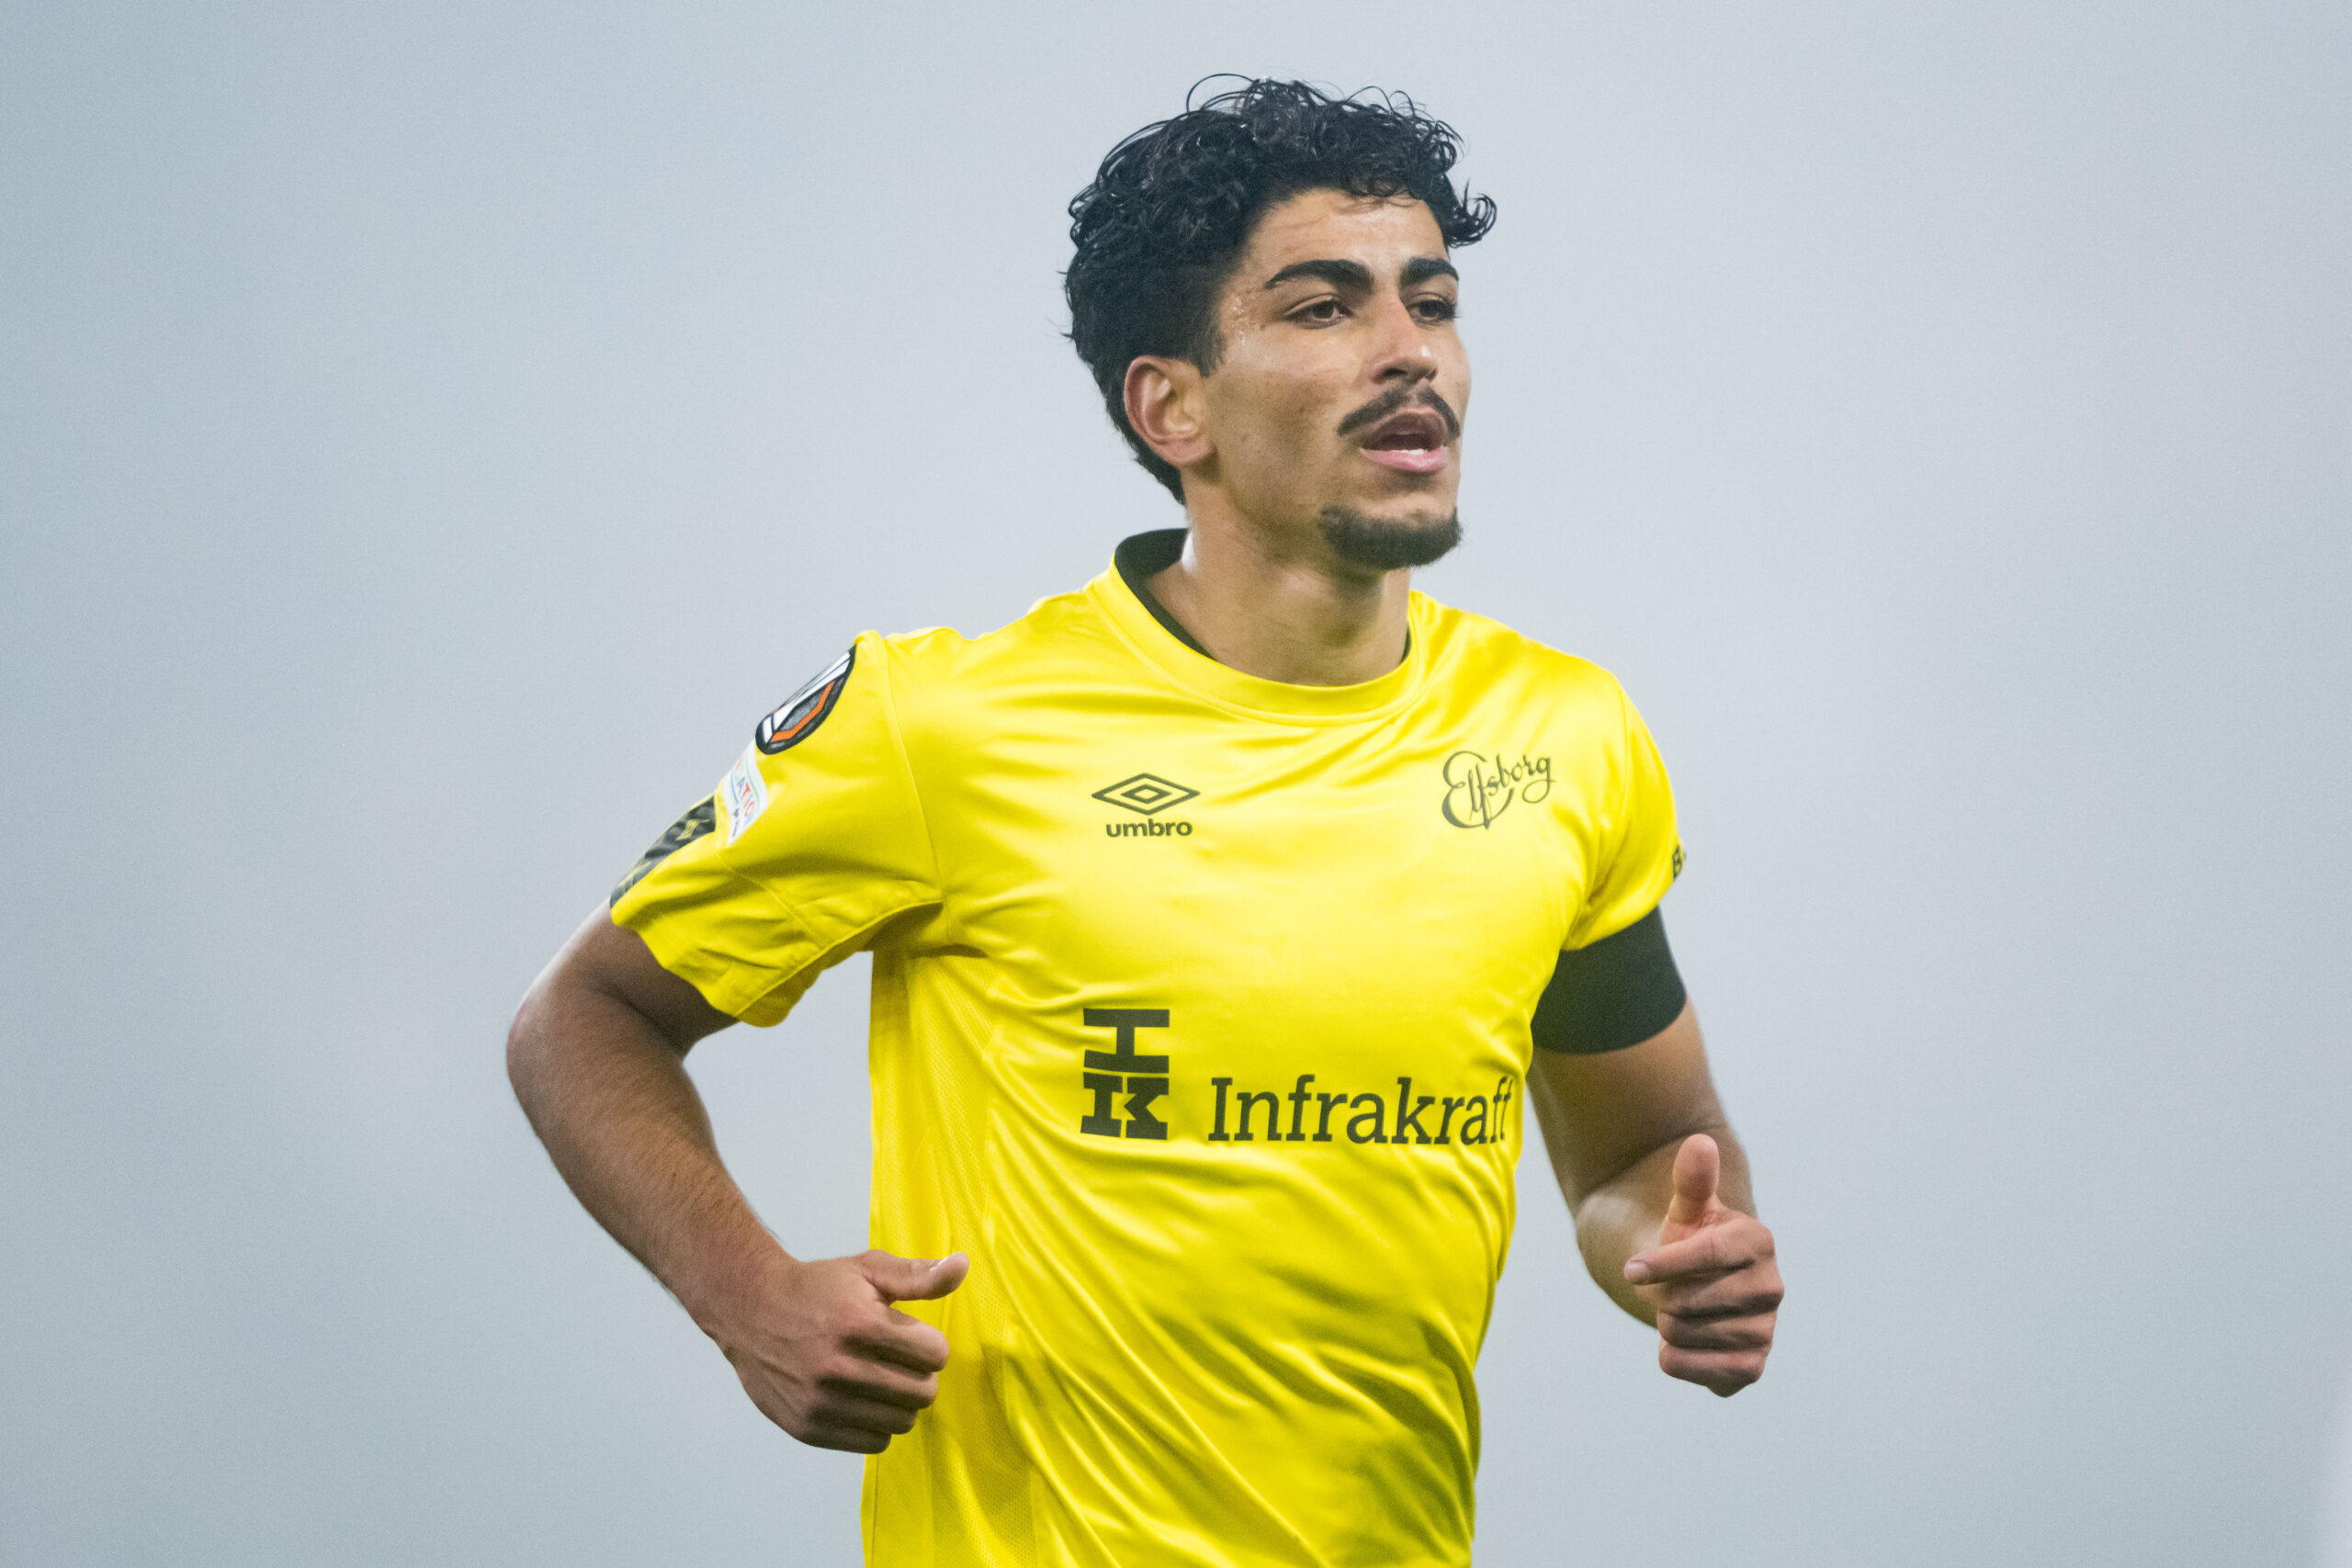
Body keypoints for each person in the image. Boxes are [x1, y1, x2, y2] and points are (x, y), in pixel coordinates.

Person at [509, 78, 1782, 1566]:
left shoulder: (1565, 738)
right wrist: (748, 1299)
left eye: (1431, 303)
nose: (1410, 351)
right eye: (1326, 307)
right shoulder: (943, 726)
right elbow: (581, 1019)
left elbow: (1642, 1152)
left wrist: (1680, 1254)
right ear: (1172, 405)